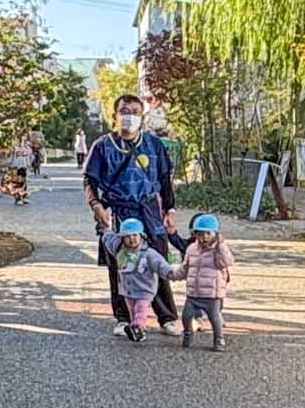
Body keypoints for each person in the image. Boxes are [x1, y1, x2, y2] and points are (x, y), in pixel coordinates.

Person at [83, 93, 182, 336]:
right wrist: (96, 205)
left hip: (149, 210)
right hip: (119, 210)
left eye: (135, 112)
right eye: (124, 111)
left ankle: (166, 316)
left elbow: (164, 179)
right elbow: (89, 180)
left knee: (156, 260)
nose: (130, 116)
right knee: (121, 265)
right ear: (115, 115)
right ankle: (124, 317)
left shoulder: (153, 144)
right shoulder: (103, 146)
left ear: (143, 116)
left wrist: (169, 209)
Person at [99, 219, 171, 341]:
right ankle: (138, 331)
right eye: (127, 236)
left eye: (135, 235)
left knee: (140, 309)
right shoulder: (120, 251)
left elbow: (160, 264)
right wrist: (106, 230)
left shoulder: (148, 253)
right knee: (132, 311)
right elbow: (109, 240)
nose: (131, 239)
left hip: (145, 290)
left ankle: (138, 326)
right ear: (122, 238)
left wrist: (171, 273)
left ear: (141, 236)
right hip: (128, 290)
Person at [170, 213, 234, 351]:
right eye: (200, 234)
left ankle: (219, 339)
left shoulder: (218, 250)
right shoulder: (192, 249)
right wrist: (174, 275)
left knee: (215, 318)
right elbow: (185, 267)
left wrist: (221, 245)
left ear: (215, 234)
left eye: (208, 234)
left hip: (211, 294)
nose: (204, 238)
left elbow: (227, 262)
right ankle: (188, 331)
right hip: (194, 293)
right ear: (195, 234)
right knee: (186, 315)